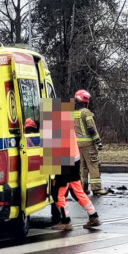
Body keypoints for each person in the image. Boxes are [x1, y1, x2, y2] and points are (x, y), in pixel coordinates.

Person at [43, 98, 102, 230]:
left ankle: (65, 221)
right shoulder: (65, 123)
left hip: (64, 163)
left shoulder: (55, 125)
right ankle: (94, 216)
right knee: (78, 191)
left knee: (58, 193)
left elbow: (51, 148)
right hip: (74, 162)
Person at [73, 89, 107, 196]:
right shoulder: (86, 112)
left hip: (78, 144)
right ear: (86, 101)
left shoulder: (73, 113)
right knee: (93, 164)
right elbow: (91, 128)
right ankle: (96, 188)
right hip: (88, 144)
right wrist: (98, 141)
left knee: (83, 166)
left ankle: (83, 188)